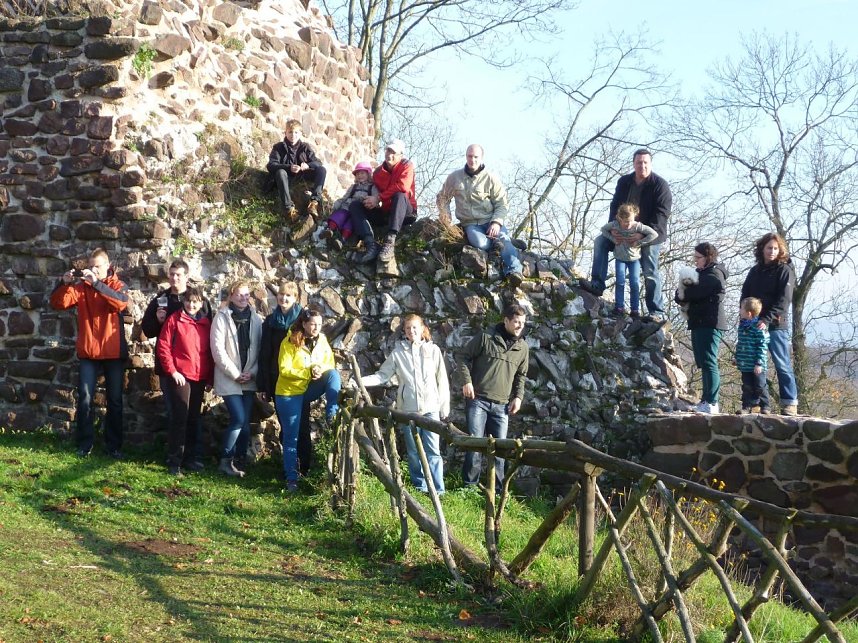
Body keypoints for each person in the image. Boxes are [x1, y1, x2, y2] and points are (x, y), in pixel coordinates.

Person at [50, 248, 129, 457]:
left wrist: (96, 283)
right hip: (89, 352)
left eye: (97, 266)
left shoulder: (117, 284)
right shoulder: (82, 287)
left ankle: (114, 446)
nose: (93, 269)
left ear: (107, 266)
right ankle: (85, 444)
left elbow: (120, 302)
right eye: (91, 266)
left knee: (115, 400)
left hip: (113, 352)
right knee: (84, 398)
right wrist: (64, 283)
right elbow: (58, 303)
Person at [361, 314, 450, 494]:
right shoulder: (398, 353)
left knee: (433, 450)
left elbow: (442, 379)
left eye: (415, 327)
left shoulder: (433, 351)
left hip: (431, 408)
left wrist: (444, 406)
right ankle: (420, 486)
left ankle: (438, 489)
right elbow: (382, 375)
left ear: (422, 328)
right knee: (414, 451)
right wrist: (359, 381)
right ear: (405, 331)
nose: (412, 331)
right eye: (408, 328)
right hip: (408, 410)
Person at [580, 149, 672, 321]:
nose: (642, 166)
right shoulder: (624, 182)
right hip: (621, 231)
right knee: (600, 242)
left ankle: (656, 311)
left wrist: (641, 235)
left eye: (645, 162)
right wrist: (613, 229)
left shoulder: (660, 186)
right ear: (633, 164)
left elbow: (661, 216)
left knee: (650, 268)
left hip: (649, 234)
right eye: (639, 162)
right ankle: (597, 284)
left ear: (650, 164)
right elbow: (615, 206)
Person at [457, 303, 529, 489]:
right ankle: (468, 488)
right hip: (478, 401)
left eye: (522, 322)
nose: (520, 326)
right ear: (506, 320)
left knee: (500, 451)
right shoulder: (486, 337)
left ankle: (496, 491)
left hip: (502, 406)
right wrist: (467, 381)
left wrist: (518, 397)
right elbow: (463, 357)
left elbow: (521, 375)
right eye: (516, 322)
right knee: (475, 445)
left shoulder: (523, 348)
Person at [437, 144, 525, 288]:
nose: (472, 160)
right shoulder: (454, 177)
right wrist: (445, 213)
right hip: (470, 223)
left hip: (490, 220)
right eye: (470, 156)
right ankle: (507, 243)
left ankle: (514, 271)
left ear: (481, 158)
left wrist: (496, 222)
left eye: (476, 157)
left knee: (502, 238)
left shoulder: (491, 178)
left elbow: (502, 203)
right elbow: (442, 197)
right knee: (480, 243)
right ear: (466, 157)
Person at [140, 259, 212, 432]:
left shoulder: (199, 301)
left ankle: (191, 456)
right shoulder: (160, 300)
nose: (174, 278)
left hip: (195, 367)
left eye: (178, 275)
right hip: (169, 367)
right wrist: (158, 321)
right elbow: (147, 331)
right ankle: (174, 455)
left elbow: (209, 333)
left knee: (193, 415)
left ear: (186, 277)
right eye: (171, 274)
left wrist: (210, 371)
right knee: (175, 413)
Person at [274, 307, 340, 491]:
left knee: (334, 374)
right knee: (291, 436)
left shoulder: (322, 340)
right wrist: (308, 371)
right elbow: (284, 369)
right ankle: (292, 478)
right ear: (303, 323)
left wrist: (319, 368)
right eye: (312, 324)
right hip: (289, 393)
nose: (316, 328)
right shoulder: (289, 341)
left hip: (308, 388)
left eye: (319, 324)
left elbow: (329, 362)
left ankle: (332, 412)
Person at [740, 232, 799, 416]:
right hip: (752, 325)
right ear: (762, 249)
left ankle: (789, 402)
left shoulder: (785, 270)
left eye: (775, 248)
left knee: (782, 364)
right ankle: (755, 403)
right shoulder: (755, 271)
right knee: (751, 364)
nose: (772, 251)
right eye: (769, 248)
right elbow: (745, 293)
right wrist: (745, 317)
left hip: (775, 325)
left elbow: (784, 300)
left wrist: (766, 319)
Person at [156, 287, 214, 475]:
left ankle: (190, 458)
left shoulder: (206, 323)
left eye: (196, 301)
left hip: (199, 377)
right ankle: (174, 461)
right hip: (181, 376)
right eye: (189, 301)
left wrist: (210, 378)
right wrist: (172, 371)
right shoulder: (175, 319)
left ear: (201, 303)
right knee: (180, 419)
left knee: (193, 419)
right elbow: (163, 347)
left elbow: (210, 353)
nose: (192, 304)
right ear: (184, 301)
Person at [210, 280, 262, 477]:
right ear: (231, 295)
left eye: (247, 294)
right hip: (229, 378)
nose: (243, 298)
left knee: (245, 421)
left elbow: (259, 351)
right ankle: (226, 460)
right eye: (239, 294)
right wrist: (235, 374)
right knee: (238, 419)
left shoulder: (256, 319)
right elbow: (218, 350)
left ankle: (240, 460)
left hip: (249, 377)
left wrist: (252, 372)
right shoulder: (221, 318)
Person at [674, 242, 728, 414]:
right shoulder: (702, 274)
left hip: (710, 322)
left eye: (698, 258)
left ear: (708, 257)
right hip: (699, 321)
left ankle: (712, 401)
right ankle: (706, 400)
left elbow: (693, 292)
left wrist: (687, 292)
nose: (695, 261)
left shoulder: (714, 273)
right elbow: (680, 294)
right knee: (703, 362)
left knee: (709, 361)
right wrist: (686, 292)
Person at [349, 139, 417, 264]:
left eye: (393, 152)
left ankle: (390, 242)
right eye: (388, 150)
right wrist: (369, 200)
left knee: (400, 194)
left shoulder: (407, 165)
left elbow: (403, 187)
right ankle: (370, 244)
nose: (389, 154)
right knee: (356, 205)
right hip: (386, 212)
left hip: (406, 212)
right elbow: (372, 189)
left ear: (401, 156)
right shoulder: (378, 172)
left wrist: (378, 198)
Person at [266, 118, 326, 229]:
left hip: (302, 176)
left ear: (300, 134)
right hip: (286, 177)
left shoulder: (305, 147)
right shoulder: (278, 147)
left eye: (296, 132)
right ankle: (289, 210)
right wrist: (288, 167)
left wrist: (308, 165)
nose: (293, 135)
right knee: (280, 172)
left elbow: (318, 162)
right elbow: (271, 165)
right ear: (286, 133)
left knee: (321, 169)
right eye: (290, 132)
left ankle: (314, 203)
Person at [601, 203, 657, 317]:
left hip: (634, 260)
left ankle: (635, 310)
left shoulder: (637, 226)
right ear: (619, 218)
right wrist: (613, 239)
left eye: (631, 220)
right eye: (626, 221)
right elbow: (603, 230)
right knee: (620, 282)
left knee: (635, 283)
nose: (628, 224)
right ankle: (619, 307)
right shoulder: (615, 225)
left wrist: (640, 242)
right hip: (620, 259)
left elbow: (654, 234)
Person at [321, 161, 378, 251]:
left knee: (351, 223)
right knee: (340, 215)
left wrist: (373, 202)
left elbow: (376, 199)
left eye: (362, 173)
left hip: (358, 211)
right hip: (347, 207)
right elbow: (344, 198)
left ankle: (342, 240)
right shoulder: (353, 187)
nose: (360, 175)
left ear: (368, 174)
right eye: (357, 174)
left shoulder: (372, 187)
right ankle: (330, 229)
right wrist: (335, 205)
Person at [735, 297, 771, 415]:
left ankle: (765, 405)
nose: (740, 310)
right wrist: (737, 358)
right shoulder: (742, 326)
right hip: (745, 363)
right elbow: (740, 344)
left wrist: (759, 363)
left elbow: (762, 346)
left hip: (757, 365)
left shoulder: (758, 328)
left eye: (741, 309)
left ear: (749, 313)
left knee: (760, 385)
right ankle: (747, 406)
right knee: (747, 386)